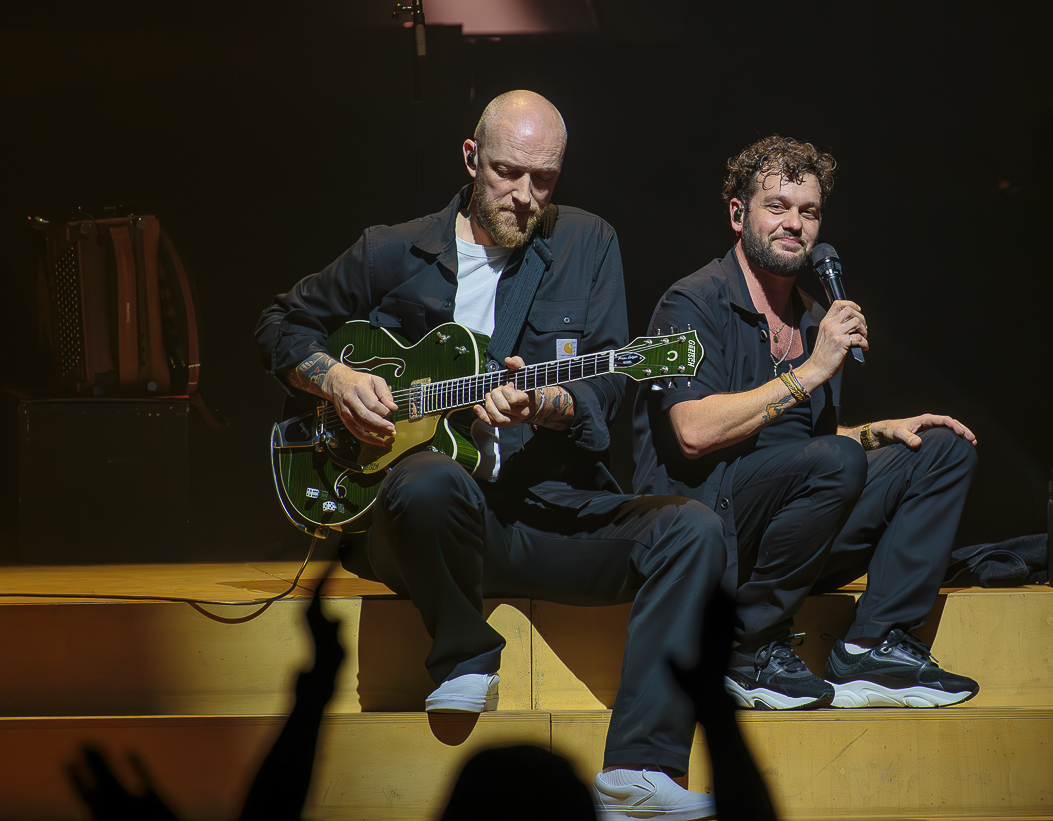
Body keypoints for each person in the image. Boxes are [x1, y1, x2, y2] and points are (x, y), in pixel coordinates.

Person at [256, 91, 724, 820]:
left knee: (694, 529)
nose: (525, 195)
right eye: (509, 173)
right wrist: (338, 378)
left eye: (545, 180)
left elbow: (603, 396)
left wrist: (552, 403)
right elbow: (280, 323)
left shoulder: (587, 244)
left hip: (540, 510)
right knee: (431, 481)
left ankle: (641, 766)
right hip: (426, 522)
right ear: (472, 158)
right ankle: (464, 652)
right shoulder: (393, 248)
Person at [633, 135, 980, 711]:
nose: (794, 223)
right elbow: (693, 433)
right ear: (737, 214)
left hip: (788, 527)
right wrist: (812, 371)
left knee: (941, 447)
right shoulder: (693, 301)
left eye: (809, 211)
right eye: (777, 207)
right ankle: (744, 648)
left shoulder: (815, 318)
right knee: (837, 460)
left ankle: (872, 647)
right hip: (704, 522)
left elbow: (808, 451)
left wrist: (874, 433)